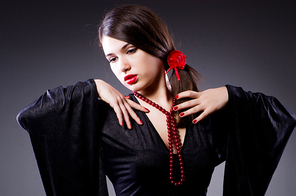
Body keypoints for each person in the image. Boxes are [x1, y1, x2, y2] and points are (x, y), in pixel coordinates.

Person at [17, 4, 296, 196]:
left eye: (131, 50)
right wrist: (93, 87)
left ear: (155, 45)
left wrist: (229, 94)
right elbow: (32, 116)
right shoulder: (110, 116)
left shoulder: (203, 113)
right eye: (112, 58)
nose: (122, 66)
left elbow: (278, 118)